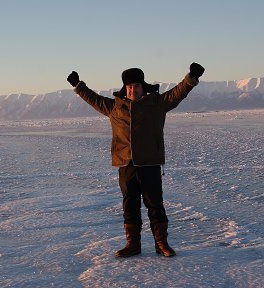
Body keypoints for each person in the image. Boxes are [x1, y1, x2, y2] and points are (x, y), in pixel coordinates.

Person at [67, 63, 205, 258]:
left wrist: (191, 77)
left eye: (137, 85)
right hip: (126, 164)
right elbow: (94, 99)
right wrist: (79, 86)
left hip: (149, 163)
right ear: (125, 88)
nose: (133, 89)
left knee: (155, 204)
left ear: (143, 86)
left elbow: (177, 93)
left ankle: (161, 244)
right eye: (130, 86)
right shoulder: (115, 107)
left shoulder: (157, 103)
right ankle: (133, 244)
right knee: (130, 205)